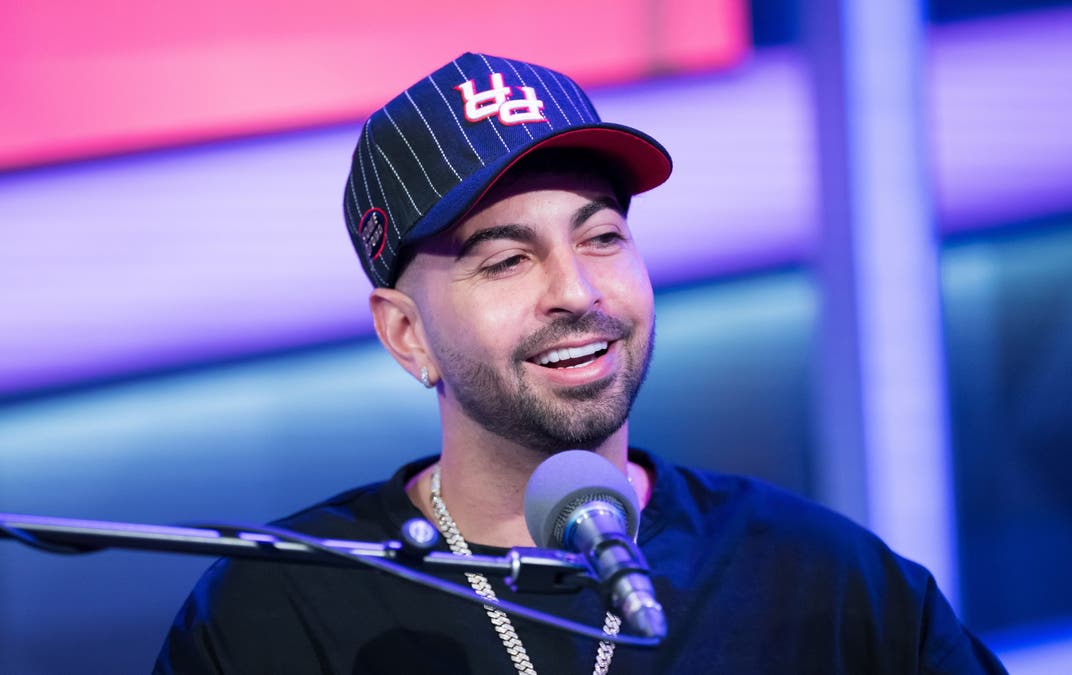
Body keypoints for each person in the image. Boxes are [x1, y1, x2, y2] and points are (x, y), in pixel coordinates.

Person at [156, 52, 1004, 674]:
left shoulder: (825, 578)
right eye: (507, 260)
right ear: (405, 333)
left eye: (602, 237)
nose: (578, 290)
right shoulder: (279, 609)